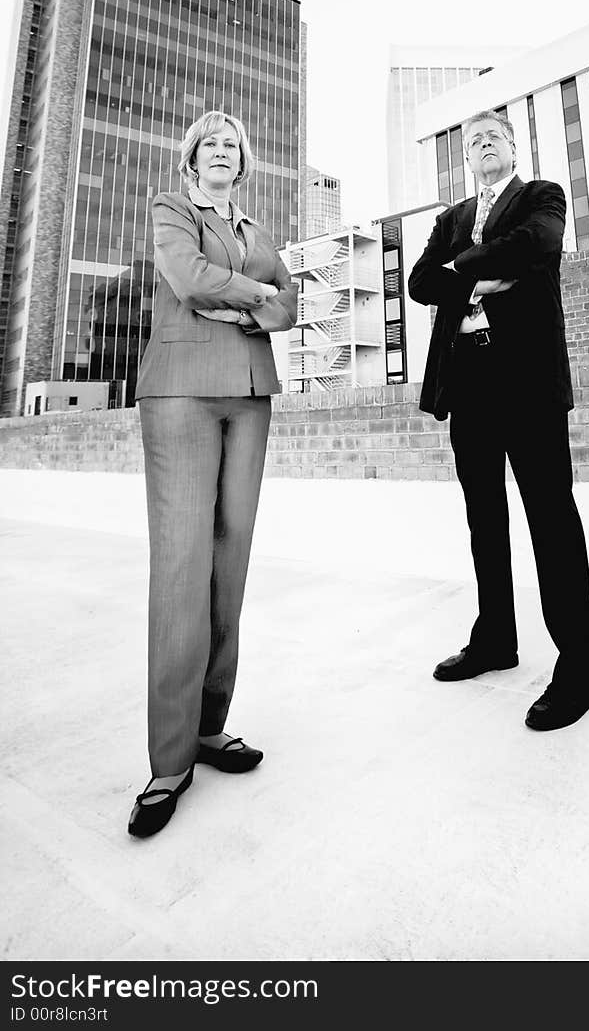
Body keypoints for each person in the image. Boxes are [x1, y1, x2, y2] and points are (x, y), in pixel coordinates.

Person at [127, 110, 299, 838]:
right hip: (182, 395)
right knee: (181, 567)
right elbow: (188, 278)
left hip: (250, 397)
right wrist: (257, 295)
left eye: (233, 144)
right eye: (212, 144)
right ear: (192, 158)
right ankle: (169, 762)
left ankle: (208, 727)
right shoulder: (173, 207)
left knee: (229, 566)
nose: (223, 152)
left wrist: (264, 307)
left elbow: (293, 304)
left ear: (243, 159)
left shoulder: (259, 230)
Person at [408, 109, 589, 731]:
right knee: (484, 519)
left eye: (494, 136)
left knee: (551, 517)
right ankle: (495, 639)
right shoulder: (451, 217)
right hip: (468, 382)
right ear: (466, 157)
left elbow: (536, 245)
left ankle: (580, 671)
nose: (483, 144)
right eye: (474, 141)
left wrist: (458, 270)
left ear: (514, 148)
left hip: (527, 381)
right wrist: (483, 278)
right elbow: (417, 282)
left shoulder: (542, 196)